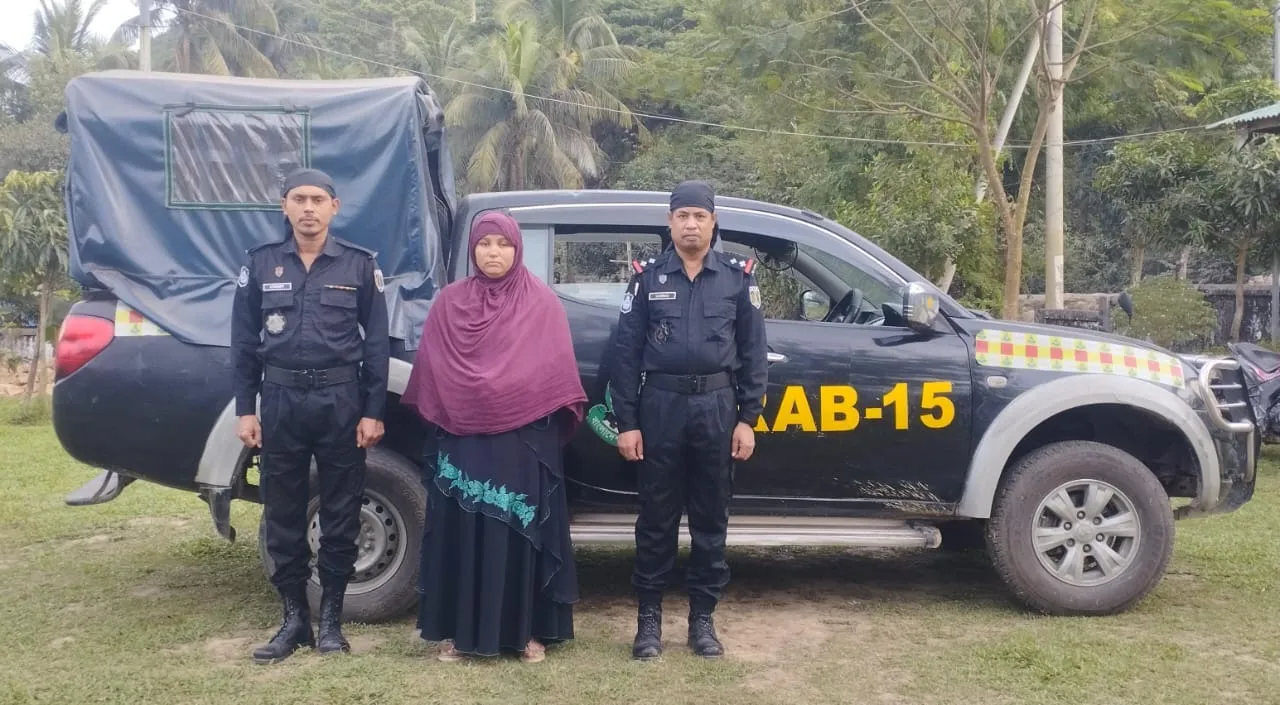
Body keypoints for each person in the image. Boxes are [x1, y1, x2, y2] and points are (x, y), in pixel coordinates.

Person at [402, 211, 588, 664]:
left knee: (518, 531)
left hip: (522, 440)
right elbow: (434, 368)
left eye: (503, 244)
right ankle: (459, 633)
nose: (493, 253)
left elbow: (555, 373)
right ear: (472, 249)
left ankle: (526, 634)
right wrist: (476, 393)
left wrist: (507, 393)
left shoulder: (541, 304)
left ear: (517, 248)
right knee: (463, 531)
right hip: (462, 434)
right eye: (485, 243)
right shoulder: (449, 303)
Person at [231, 168, 390, 664]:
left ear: (334, 207)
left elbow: (377, 345)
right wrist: (245, 409)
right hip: (280, 400)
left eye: (317, 199)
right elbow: (244, 343)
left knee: (341, 512)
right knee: (283, 512)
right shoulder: (260, 263)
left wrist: (373, 411)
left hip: (340, 400)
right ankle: (294, 620)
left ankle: (331, 624)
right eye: (298, 199)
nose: (308, 208)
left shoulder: (359, 266)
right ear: (284, 206)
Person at [610, 180, 768, 660]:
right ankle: (649, 622)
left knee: (710, 518)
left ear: (713, 221)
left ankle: (702, 620)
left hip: (717, 408)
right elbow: (625, 355)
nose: (691, 224)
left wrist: (748, 418)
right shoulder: (647, 278)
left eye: (700, 216)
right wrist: (628, 422)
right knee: (655, 519)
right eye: (683, 216)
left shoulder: (738, 278)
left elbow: (754, 354)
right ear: (670, 222)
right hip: (660, 407)